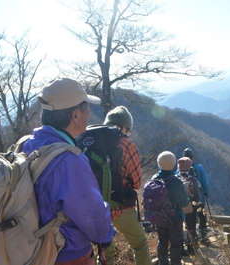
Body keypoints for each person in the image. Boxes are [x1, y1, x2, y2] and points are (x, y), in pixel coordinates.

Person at [22, 78, 115, 265]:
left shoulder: (27, 144)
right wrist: (106, 236)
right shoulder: (70, 160)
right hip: (67, 254)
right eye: (86, 108)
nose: (89, 115)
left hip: (30, 250)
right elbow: (91, 213)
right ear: (75, 115)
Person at [79, 106, 152, 265]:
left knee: (106, 251)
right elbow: (137, 182)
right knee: (140, 244)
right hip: (120, 207)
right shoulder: (125, 143)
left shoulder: (87, 140)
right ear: (124, 127)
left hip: (93, 208)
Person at [152, 151, 189, 265]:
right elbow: (184, 203)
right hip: (175, 218)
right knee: (175, 244)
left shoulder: (154, 179)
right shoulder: (177, 181)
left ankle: (163, 262)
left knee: (162, 242)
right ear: (174, 165)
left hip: (159, 218)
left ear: (159, 164)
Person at [182, 147, 210, 244]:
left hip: (187, 200)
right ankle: (204, 237)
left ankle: (192, 240)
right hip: (199, 197)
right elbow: (204, 182)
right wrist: (206, 192)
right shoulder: (199, 167)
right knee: (202, 216)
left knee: (190, 218)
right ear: (192, 157)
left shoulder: (180, 170)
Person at [177, 157, 202, 255]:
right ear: (189, 167)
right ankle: (192, 248)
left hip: (178, 208)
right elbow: (197, 196)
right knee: (191, 227)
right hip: (191, 207)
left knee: (180, 227)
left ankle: (181, 249)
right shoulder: (193, 180)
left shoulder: (176, 179)